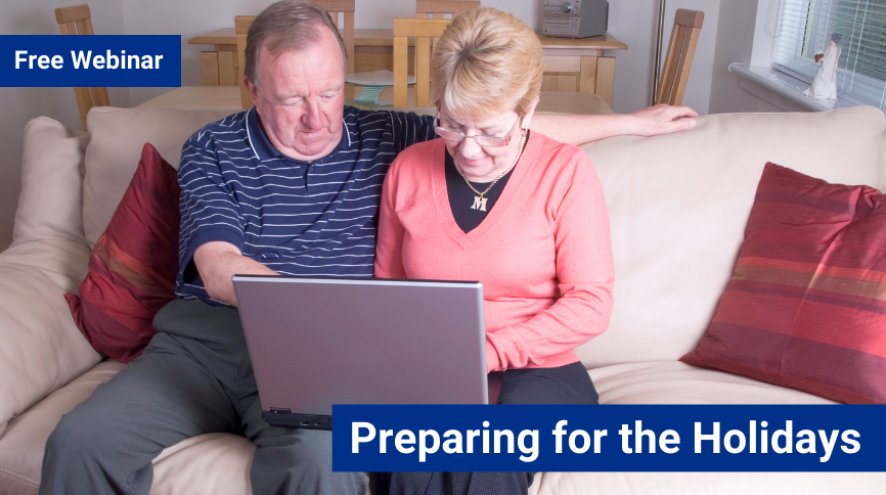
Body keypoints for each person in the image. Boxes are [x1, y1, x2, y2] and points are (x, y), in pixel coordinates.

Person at [39, 2, 697, 494]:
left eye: (329, 92)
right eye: (291, 99)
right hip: (209, 343)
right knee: (80, 438)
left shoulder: (390, 136)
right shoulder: (214, 148)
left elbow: (487, 120)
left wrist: (629, 122)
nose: (316, 117)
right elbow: (217, 269)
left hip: (324, 358)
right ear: (253, 91)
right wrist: (330, 315)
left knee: (320, 460)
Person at [373, 7, 611, 494]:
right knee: (406, 458)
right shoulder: (407, 170)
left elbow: (592, 302)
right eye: (452, 125)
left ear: (529, 109)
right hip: (435, 363)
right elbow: (388, 293)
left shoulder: (566, 171)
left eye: (491, 131)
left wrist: (489, 351)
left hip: (543, 368)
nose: (469, 149)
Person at [803, 33, 841, 100]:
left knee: (822, 78)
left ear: (834, 41)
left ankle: (822, 93)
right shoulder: (829, 47)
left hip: (827, 67)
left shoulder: (833, 49)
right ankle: (817, 91)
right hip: (824, 65)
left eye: (831, 39)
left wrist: (821, 58)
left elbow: (828, 57)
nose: (830, 40)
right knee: (819, 78)